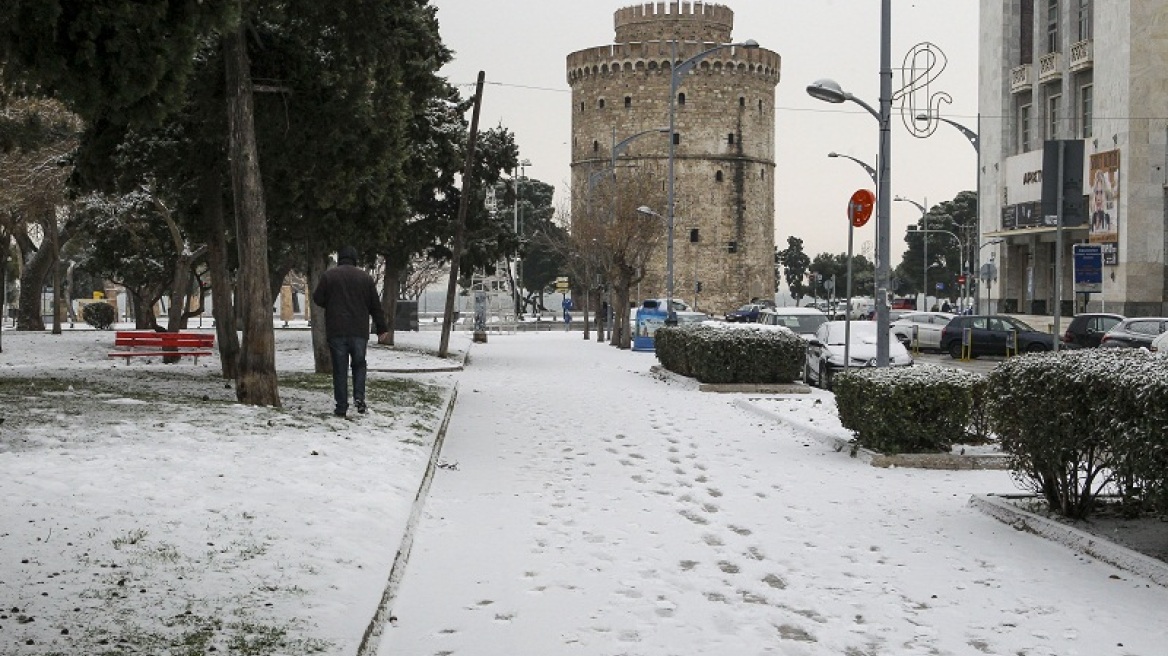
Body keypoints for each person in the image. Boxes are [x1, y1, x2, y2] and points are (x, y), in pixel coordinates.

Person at [312, 246, 389, 417]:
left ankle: (341, 406)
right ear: (355, 259)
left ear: (340, 258)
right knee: (359, 364)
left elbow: (317, 298)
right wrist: (381, 328)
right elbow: (375, 306)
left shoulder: (329, 276)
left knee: (340, 369)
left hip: (337, 330)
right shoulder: (366, 279)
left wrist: (331, 304)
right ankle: (359, 397)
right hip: (359, 330)